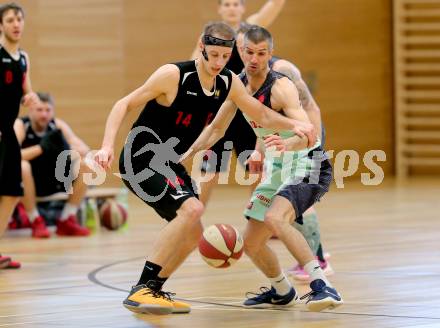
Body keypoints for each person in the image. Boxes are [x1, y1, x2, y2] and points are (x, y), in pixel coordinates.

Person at [94, 22, 316, 315]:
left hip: (168, 163)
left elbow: (260, 113)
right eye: (213, 55)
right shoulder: (174, 75)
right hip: (141, 157)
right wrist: (107, 146)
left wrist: (296, 124)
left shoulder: (227, 82)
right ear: (202, 47)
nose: (218, 63)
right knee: (192, 210)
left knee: (192, 234)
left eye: (224, 58)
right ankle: (142, 289)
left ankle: (154, 290)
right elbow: (124, 104)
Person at [185, 26, 342, 312]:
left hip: (308, 163)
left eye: (261, 53)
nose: (254, 59)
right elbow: (217, 128)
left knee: (275, 218)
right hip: (278, 168)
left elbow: (307, 132)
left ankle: (323, 286)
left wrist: (287, 145)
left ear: (270, 54)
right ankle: (282, 291)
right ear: (240, 53)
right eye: (249, 52)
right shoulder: (237, 86)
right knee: (251, 243)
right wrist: (187, 151)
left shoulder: (281, 87)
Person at [234, 24, 334, 281]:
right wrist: (261, 150)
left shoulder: (282, 72)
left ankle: (319, 261)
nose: (251, 56)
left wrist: (309, 143)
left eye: (258, 51)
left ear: (266, 50)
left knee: (298, 200)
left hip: (305, 138)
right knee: (279, 202)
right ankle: (292, 277)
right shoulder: (242, 80)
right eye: (244, 49)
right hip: (280, 141)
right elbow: (264, 124)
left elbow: (310, 108)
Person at [191, 0, 286, 204]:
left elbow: (275, 6)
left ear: (243, 8)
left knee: (256, 168)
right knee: (209, 171)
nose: (231, 8)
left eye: (236, 3)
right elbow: (194, 68)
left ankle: (258, 221)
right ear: (220, 9)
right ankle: (191, 221)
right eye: (227, 4)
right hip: (220, 113)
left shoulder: (251, 28)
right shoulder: (211, 34)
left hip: (246, 114)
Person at [13, 92, 91, 238]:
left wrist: (67, 147)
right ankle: (35, 220)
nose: (44, 114)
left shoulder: (57, 125)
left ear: (53, 111)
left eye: (48, 110)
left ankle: (67, 219)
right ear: (30, 110)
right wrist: (41, 148)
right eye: (40, 110)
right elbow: (12, 156)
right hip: (30, 182)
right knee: (22, 166)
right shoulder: (21, 125)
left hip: (54, 178)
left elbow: (84, 149)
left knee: (85, 164)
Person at [0, 2, 40, 269]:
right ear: (1, 25)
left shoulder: (23, 58)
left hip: (9, 132)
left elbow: (27, 91)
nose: (16, 24)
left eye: (19, 19)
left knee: (12, 193)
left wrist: (30, 97)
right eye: (11, 19)